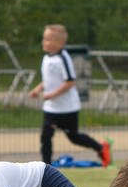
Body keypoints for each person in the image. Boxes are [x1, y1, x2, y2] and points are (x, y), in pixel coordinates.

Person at [27, 24, 111, 167]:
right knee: (45, 136)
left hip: (68, 108)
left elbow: (70, 82)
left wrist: (51, 95)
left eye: (47, 39)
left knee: (74, 137)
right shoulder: (46, 58)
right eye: (44, 38)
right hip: (51, 108)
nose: (43, 41)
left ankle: (101, 148)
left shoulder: (63, 58)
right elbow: (49, 80)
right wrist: (38, 89)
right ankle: (46, 168)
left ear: (59, 43)